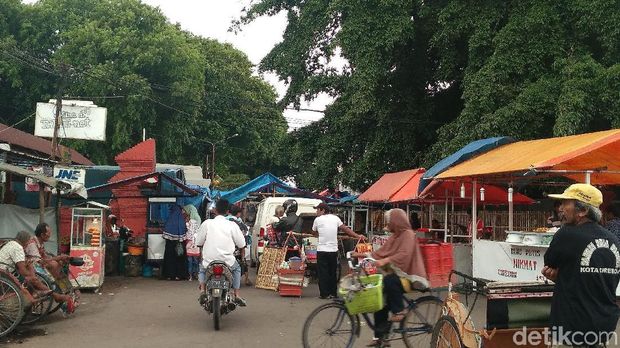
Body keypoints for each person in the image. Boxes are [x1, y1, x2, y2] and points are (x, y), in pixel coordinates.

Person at [542, 184, 620, 347]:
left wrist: (560, 276)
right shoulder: (613, 240)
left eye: (566, 203)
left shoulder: (566, 234)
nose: (561, 208)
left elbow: (550, 262)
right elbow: (599, 281)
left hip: (572, 326)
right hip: (604, 325)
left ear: (582, 211)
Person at [352, 209, 428, 347]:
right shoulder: (395, 236)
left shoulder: (409, 235)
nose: (388, 224)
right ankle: (380, 337)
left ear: (396, 221)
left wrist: (385, 261)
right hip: (398, 275)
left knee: (389, 280)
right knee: (379, 302)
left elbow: (404, 255)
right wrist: (360, 255)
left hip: (410, 276)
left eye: (390, 221)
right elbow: (381, 252)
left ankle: (399, 310)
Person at [0, 231, 74, 313]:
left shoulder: (11, 244)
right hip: (5, 276)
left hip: (6, 273)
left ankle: (50, 294)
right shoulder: (18, 248)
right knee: (33, 278)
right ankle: (54, 296)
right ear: (25, 241)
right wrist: (31, 270)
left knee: (35, 276)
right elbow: (24, 271)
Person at [194, 199, 247, 306]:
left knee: (202, 270)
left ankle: (202, 291)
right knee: (237, 269)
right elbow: (242, 244)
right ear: (227, 211)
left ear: (215, 210)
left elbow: (198, 242)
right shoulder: (232, 225)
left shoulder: (207, 223)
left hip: (209, 260)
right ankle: (236, 295)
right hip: (228, 261)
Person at [312, 203, 366, 299]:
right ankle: (333, 293)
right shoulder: (335, 218)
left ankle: (324, 294)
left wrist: (320, 234)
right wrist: (357, 236)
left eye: (318, 210)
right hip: (333, 250)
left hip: (322, 250)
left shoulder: (317, 220)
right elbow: (346, 229)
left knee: (323, 272)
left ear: (323, 210)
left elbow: (314, 232)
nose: (316, 212)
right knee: (332, 272)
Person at [24, 223, 74, 293]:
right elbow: (39, 261)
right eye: (48, 233)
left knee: (59, 263)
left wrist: (59, 259)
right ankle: (53, 286)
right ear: (42, 235)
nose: (50, 235)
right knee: (54, 264)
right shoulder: (32, 244)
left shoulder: (40, 243)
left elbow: (45, 257)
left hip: (38, 264)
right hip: (32, 267)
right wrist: (57, 258)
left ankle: (61, 286)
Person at [162, 205, 189, 280]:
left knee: (169, 258)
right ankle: (179, 275)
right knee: (180, 259)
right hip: (180, 244)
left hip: (170, 244)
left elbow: (165, 233)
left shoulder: (169, 220)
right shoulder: (181, 220)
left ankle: (169, 275)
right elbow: (184, 232)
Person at [227, 205, 252, 286]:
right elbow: (244, 234)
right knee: (243, 262)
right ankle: (246, 279)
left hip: (224, 247)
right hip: (236, 248)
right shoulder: (239, 223)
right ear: (238, 214)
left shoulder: (224, 221)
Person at [183, 205, 201, 281]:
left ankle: (190, 276)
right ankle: (196, 275)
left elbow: (187, 231)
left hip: (189, 242)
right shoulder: (198, 219)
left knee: (189, 260)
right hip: (196, 242)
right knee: (196, 260)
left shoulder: (189, 220)